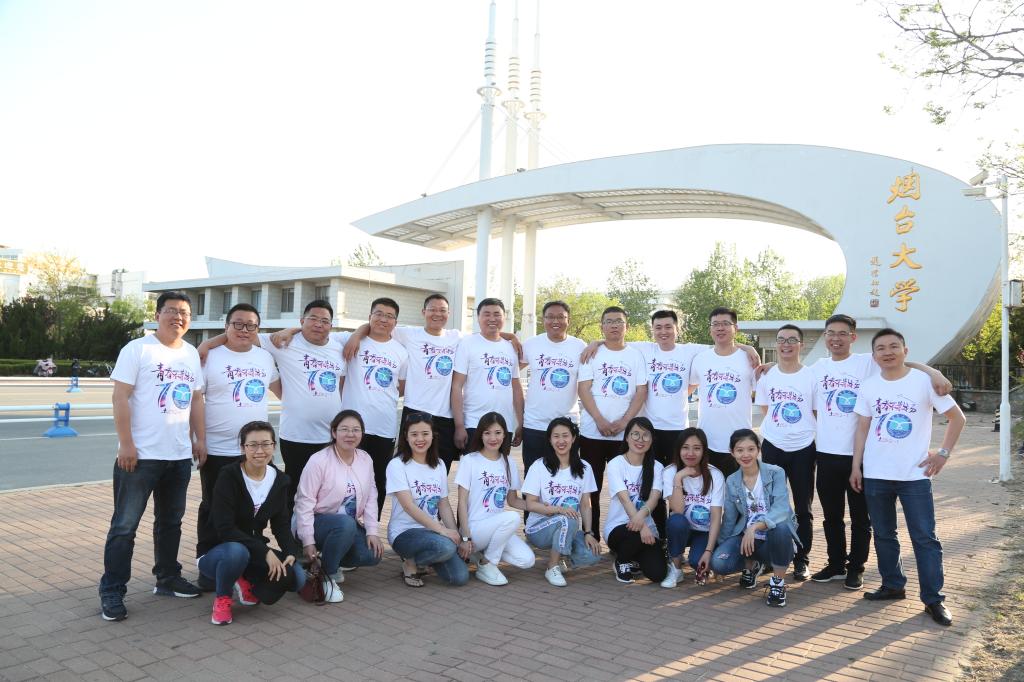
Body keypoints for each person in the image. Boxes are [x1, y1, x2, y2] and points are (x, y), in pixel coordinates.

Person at [810, 313, 952, 590]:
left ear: (853, 337)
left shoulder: (866, 361)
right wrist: (760, 359)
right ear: (825, 337)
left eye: (842, 333)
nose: (836, 338)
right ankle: (836, 564)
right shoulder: (818, 367)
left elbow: (900, 362)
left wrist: (933, 372)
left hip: (861, 456)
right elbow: (789, 370)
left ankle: (856, 568)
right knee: (831, 516)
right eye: (830, 333)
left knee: (861, 518)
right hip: (826, 453)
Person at [98, 291, 205, 622]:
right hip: (140, 456)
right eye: (171, 310)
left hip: (178, 456)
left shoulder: (190, 353)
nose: (178, 317)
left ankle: (167, 578)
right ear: (157, 315)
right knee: (124, 526)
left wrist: (199, 439)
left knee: (171, 522)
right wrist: (126, 444)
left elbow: (196, 399)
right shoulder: (138, 349)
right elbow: (120, 397)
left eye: (184, 312)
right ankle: (112, 589)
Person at [851, 328, 965, 627]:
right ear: (874, 355)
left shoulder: (924, 382)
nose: (887, 352)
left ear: (905, 350)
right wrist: (856, 466)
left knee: (924, 537)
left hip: (915, 474)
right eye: (881, 348)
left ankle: (933, 599)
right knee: (884, 533)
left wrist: (943, 453)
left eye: (894, 346)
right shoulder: (869, 386)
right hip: (876, 473)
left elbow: (957, 418)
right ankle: (892, 585)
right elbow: (862, 428)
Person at [334, 293, 522, 472]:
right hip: (414, 410)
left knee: (440, 468)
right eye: (432, 309)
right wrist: (357, 335)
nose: (437, 314)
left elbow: (487, 335)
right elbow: (379, 325)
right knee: (408, 466)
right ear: (424, 312)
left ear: (449, 314)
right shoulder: (409, 334)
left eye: (442, 310)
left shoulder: (457, 338)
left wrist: (512, 336)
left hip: (445, 416)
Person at [199, 299, 346, 509]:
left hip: (327, 436)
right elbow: (244, 334)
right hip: (293, 437)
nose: (318, 324)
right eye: (312, 318)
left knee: (324, 491)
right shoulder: (282, 343)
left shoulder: (339, 346)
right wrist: (206, 344)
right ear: (302, 320)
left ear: (331, 325)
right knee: (289, 492)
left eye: (324, 321)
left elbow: (339, 384)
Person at [195, 421, 306, 625]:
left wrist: (290, 551)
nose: (259, 451)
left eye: (265, 444)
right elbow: (224, 529)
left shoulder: (280, 480)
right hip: (218, 550)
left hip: (252, 550)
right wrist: (265, 552)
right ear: (242, 448)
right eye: (252, 445)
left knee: (296, 577)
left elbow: (281, 523)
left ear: (274, 446)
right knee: (236, 552)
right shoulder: (228, 476)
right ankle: (223, 598)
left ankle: (243, 579)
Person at [194, 303, 280, 551]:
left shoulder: (265, 358)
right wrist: (199, 440)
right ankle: (209, 558)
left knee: (253, 505)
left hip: (255, 451)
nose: (244, 330)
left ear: (257, 329)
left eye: (251, 325)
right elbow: (196, 400)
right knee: (213, 505)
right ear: (226, 326)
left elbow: (282, 390)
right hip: (217, 449)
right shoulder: (209, 357)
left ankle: (250, 555)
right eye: (238, 324)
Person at [293, 410, 383, 603]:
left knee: (371, 555)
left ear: (362, 433)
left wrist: (372, 531)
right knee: (345, 524)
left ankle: (326, 561)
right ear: (334, 432)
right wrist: (308, 540)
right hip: (315, 521)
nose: (350, 434)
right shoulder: (319, 461)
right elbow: (304, 502)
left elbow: (371, 495)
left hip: (345, 526)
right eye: (344, 429)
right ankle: (327, 576)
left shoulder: (365, 459)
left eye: (356, 430)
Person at [754, 324, 818, 582]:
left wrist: (798, 431)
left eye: (792, 340)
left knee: (803, 507)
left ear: (801, 344)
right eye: (781, 340)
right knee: (771, 505)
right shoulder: (767, 377)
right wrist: (780, 431)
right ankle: (773, 557)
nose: (786, 344)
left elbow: (815, 412)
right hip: (773, 446)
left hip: (803, 448)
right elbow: (766, 410)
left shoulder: (811, 376)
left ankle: (802, 560)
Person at [577, 306, 648, 538]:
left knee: (627, 488)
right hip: (592, 433)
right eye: (609, 321)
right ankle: (591, 535)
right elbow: (583, 389)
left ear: (627, 326)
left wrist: (625, 421)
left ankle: (626, 535)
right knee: (591, 488)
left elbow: (641, 391)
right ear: (602, 326)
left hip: (624, 435)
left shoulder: (636, 355)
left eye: (619, 321)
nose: (614, 325)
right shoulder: (592, 354)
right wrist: (600, 420)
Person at [710, 429, 799, 608]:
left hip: (772, 538)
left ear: (759, 449)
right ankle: (751, 566)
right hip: (748, 541)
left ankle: (778, 584)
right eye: (740, 450)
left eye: (751, 449)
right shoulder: (732, 480)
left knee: (781, 528)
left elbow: (781, 508)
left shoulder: (775, 472)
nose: (745, 455)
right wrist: (719, 547)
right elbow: (729, 519)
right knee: (719, 563)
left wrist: (755, 527)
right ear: (732, 452)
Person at [337, 298, 409, 515]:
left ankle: (371, 526)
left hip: (384, 427)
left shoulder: (401, 352)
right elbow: (315, 332)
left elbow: (401, 387)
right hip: (351, 427)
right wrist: (357, 334)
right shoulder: (350, 340)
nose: (383, 319)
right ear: (369, 317)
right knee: (344, 478)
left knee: (378, 479)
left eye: (389, 316)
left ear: (395, 322)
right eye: (378, 314)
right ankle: (344, 524)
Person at [386, 412, 469, 587]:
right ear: (406, 437)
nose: (420, 439)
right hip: (404, 533)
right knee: (445, 547)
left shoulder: (439, 464)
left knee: (459, 577)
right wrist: (442, 531)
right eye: (414, 434)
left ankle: (423, 560)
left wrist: (456, 536)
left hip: (433, 534)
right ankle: (410, 562)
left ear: (433, 435)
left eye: (425, 433)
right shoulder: (397, 465)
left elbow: (443, 504)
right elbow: (408, 506)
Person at [455, 412, 534, 585]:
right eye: (487, 433)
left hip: (498, 528)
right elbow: (461, 502)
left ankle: (481, 556)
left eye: (498, 433)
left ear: (505, 435)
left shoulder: (508, 462)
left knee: (527, 560)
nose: (493, 438)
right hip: (475, 528)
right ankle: (487, 564)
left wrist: (542, 507)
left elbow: (513, 501)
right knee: (512, 517)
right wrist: (466, 537)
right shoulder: (470, 460)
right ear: (480, 435)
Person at [521, 417, 601, 587]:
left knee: (592, 554)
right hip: (538, 529)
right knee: (567, 519)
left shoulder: (584, 468)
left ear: (573, 438)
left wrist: (588, 532)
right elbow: (530, 504)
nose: (561, 441)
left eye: (565, 435)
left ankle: (560, 557)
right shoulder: (539, 466)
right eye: (556, 436)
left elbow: (585, 504)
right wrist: (559, 509)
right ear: (550, 440)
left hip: (567, 526)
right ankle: (552, 566)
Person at [519, 301, 587, 477]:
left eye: (560, 317)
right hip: (535, 424)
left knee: (566, 476)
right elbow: (512, 368)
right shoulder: (531, 344)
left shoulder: (580, 346)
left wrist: (599, 342)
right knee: (533, 476)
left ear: (568, 320)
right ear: (543, 320)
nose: (555, 321)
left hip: (568, 425)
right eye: (550, 317)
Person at [451, 298, 525, 452]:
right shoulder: (467, 343)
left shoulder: (511, 348)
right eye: (486, 314)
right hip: (474, 423)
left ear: (504, 317)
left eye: (497, 314)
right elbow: (457, 386)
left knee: (500, 466)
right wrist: (459, 425)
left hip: (504, 425)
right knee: (474, 466)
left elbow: (516, 388)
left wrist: (521, 422)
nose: (492, 318)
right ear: (478, 317)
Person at [690, 307, 755, 478]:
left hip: (740, 444)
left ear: (736, 328)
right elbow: (688, 388)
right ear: (710, 329)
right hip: (707, 442)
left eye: (725, 323)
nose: (720, 328)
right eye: (715, 324)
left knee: (738, 492)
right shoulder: (701, 359)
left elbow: (761, 395)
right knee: (708, 491)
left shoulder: (749, 359)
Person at [604, 416, 667, 584]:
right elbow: (625, 500)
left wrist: (644, 524)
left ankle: (634, 559)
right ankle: (621, 561)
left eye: (646, 435)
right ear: (627, 437)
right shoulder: (616, 464)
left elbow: (654, 498)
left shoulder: (657, 467)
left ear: (652, 440)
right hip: (618, 528)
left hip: (646, 532)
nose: (640, 439)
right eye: (635, 434)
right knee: (633, 537)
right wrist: (642, 526)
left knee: (658, 574)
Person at [660, 427, 724, 589]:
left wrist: (708, 551)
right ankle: (676, 569)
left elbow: (716, 517)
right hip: (683, 529)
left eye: (696, 448)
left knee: (697, 561)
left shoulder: (715, 475)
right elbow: (677, 510)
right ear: (678, 449)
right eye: (685, 447)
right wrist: (678, 478)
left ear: (704, 451)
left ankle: (709, 562)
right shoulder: (670, 472)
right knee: (676, 521)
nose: (690, 453)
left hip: (705, 531)